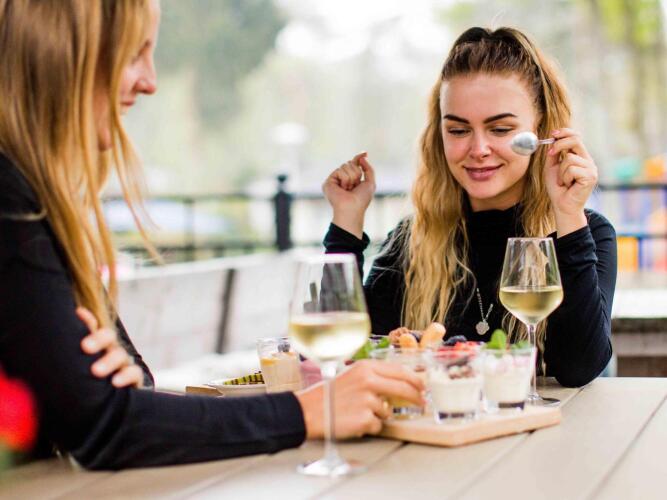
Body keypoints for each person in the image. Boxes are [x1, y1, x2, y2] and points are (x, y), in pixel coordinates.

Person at [0, 0, 424, 470]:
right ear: (66, 54)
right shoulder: (12, 203)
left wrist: (103, 397)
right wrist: (308, 412)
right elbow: (105, 423)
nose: (150, 81)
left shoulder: (39, 203)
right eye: (134, 54)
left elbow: (124, 391)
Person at [322, 26, 617, 388]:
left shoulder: (585, 232)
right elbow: (342, 351)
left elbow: (579, 367)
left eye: (500, 129)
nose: (478, 150)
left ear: (541, 131)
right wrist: (347, 221)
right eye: (459, 131)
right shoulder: (412, 240)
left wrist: (568, 212)